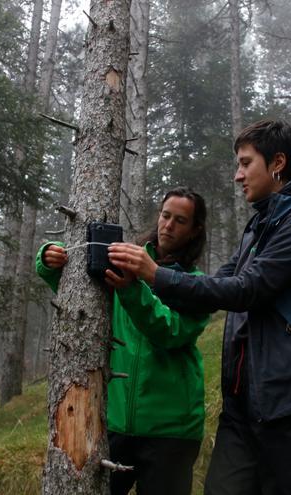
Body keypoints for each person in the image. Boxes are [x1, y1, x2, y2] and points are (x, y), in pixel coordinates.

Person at [109, 119, 291, 495]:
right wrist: (137, 276)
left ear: (278, 163)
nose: (238, 176)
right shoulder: (258, 228)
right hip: (243, 407)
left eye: (245, 163)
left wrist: (154, 275)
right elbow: (217, 282)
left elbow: (247, 289)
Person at [35, 187, 212, 495]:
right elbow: (81, 296)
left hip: (171, 430)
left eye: (180, 220)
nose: (168, 225)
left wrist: (133, 289)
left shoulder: (196, 285)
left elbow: (169, 332)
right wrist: (49, 261)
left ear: (195, 230)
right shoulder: (125, 261)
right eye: (165, 215)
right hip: (113, 423)